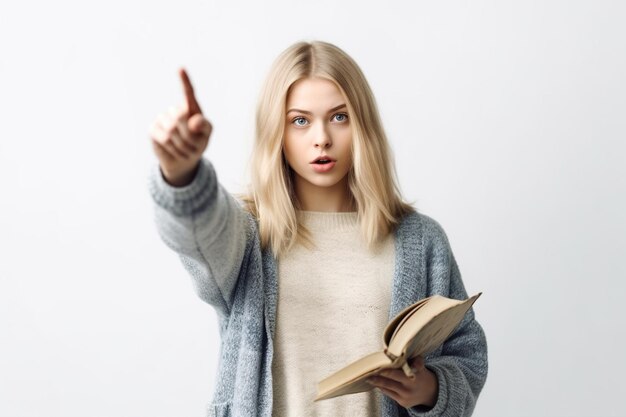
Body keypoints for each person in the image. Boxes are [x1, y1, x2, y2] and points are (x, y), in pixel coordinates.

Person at [147, 40, 488, 417]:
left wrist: (428, 389)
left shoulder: (420, 240)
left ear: (363, 126)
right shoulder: (248, 239)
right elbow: (199, 233)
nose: (321, 137)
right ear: (277, 133)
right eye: (300, 121)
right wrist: (182, 175)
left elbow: (467, 355)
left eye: (340, 117)